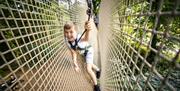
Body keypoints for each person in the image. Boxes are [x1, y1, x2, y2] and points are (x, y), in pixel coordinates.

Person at [64, 19, 101, 91]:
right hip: (83, 54)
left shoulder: (78, 37)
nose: (68, 35)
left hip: (88, 51)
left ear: (76, 32)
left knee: (88, 69)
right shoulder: (68, 42)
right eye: (66, 32)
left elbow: (86, 39)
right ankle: (98, 70)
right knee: (89, 63)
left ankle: (96, 86)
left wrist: (87, 30)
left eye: (71, 32)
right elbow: (73, 53)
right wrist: (75, 64)